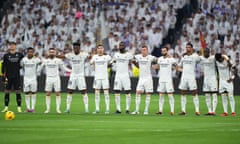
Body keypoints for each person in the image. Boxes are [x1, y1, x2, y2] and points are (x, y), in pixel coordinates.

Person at [58, 42, 89, 113]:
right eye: (74, 48)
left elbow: (90, 57)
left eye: (77, 48)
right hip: (73, 75)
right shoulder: (70, 55)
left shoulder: (84, 55)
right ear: (73, 48)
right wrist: (54, 55)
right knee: (70, 91)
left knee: (83, 91)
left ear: (79, 48)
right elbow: (62, 56)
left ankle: (86, 109)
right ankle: (68, 108)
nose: (76, 49)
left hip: (81, 75)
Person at [38, 48, 71, 114]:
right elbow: (40, 68)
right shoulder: (45, 61)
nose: (51, 53)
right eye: (50, 52)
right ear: (49, 53)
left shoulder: (58, 60)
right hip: (48, 78)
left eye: (53, 52)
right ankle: (47, 109)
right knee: (48, 94)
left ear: (55, 53)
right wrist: (35, 71)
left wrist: (71, 71)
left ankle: (58, 109)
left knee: (57, 93)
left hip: (56, 78)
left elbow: (64, 69)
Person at [131, 45, 156, 115]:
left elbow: (158, 60)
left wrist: (154, 66)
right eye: (142, 50)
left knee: (148, 94)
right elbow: (132, 59)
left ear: (147, 50)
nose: (143, 51)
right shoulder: (138, 56)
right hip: (141, 78)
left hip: (148, 78)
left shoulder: (151, 57)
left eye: (145, 50)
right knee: (137, 93)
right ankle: (136, 110)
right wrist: (135, 64)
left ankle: (146, 110)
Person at [177, 42, 201, 116]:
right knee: (183, 93)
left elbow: (200, 59)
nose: (187, 49)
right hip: (184, 77)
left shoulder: (195, 56)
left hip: (191, 77)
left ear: (192, 48)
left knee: (194, 92)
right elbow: (178, 67)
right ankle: (183, 110)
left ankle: (197, 110)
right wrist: (182, 70)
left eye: (189, 47)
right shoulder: (183, 56)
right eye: (186, 47)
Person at [1, 41, 24, 113]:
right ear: (9, 47)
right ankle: (6, 107)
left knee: (18, 92)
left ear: (15, 46)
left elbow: (25, 62)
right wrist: (3, 75)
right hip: (8, 76)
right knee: (7, 91)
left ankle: (19, 107)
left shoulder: (19, 55)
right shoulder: (6, 55)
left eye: (13, 45)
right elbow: (3, 65)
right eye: (11, 45)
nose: (12, 46)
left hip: (16, 76)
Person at [112, 42, 133, 114]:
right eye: (120, 45)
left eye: (122, 45)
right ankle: (118, 109)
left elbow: (133, 61)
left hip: (125, 75)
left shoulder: (128, 55)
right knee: (117, 91)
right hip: (118, 75)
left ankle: (127, 109)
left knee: (127, 91)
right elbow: (112, 62)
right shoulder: (116, 55)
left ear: (125, 47)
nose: (121, 47)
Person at [90, 45, 112, 114]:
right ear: (97, 50)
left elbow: (111, 62)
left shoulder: (107, 57)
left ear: (103, 49)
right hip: (97, 77)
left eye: (101, 48)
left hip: (105, 77)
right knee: (97, 93)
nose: (100, 49)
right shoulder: (94, 57)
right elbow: (91, 63)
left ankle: (107, 109)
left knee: (106, 93)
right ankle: (97, 109)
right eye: (98, 48)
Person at [155, 46, 176, 115]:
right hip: (161, 79)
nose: (163, 52)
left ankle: (172, 111)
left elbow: (175, 66)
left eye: (164, 51)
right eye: (162, 51)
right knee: (161, 95)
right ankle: (160, 110)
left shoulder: (171, 59)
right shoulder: (160, 59)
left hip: (168, 80)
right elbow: (157, 67)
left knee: (170, 95)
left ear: (167, 51)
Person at [20, 47, 41, 113]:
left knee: (33, 92)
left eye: (31, 52)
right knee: (26, 93)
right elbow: (22, 67)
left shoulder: (36, 59)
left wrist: (36, 57)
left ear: (33, 52)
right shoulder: (24, 60)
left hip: (33, 78)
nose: (30, 53)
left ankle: (33, 108)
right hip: (26, 78)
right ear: (27, 52)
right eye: (29, 52)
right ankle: (28, 108)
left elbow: (40, 62)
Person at [200, 48, 218, 115]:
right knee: (207, 95)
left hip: (213, 79)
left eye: (207, 52)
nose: (205, 53)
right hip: (206, 79)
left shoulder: (213, 58)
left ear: (209, 52)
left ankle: (214, 111)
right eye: (204, 52)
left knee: (214, 94)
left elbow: (220, 56)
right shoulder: (201, 58)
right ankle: (209, 111)